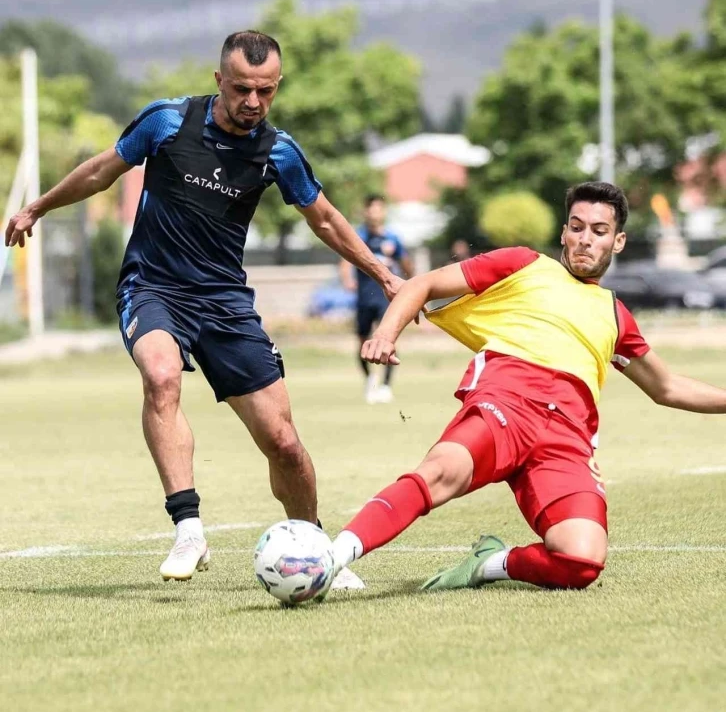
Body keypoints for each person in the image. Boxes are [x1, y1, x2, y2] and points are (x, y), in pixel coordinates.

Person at [4, 30, 403, 586]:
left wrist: (382, 273)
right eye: (242, 89)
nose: (253, 101)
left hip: (225, 304)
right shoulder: (168, 122)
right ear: (219, 80)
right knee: (161, 376)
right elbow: (100, 171)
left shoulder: (279, 151)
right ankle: (188, 528)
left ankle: (316, 550)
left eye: (266, 91)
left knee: (284, 443)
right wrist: (38, 208)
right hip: (153, 288)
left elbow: (327, 221)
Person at [329, 181, 726, 593]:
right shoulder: (524, 263)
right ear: (564, 233)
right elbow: (421, 284)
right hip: (506, 404)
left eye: (599, 231)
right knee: (441, 472)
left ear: (618, 241)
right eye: (577, 227)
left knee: (582, 561)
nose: (585, 239)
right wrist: (385, 334)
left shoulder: (616, 314)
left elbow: (667, 387)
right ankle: (329, 559)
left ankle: (489, 564)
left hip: (567, 435)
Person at [339, 194, 413, 404]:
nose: (375, 213)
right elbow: (345, 261)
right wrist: (347, 279)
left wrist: (412, 283)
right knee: (363, 342)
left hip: (386, 298)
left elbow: (406, 262)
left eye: (379, 208)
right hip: (364, 298)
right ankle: (370, 380)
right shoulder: (359, 237)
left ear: (384, 212)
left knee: (388, 339)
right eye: (371, 209)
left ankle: (386, 386)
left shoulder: (392, 238)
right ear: (366, 212)